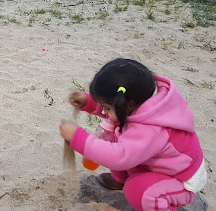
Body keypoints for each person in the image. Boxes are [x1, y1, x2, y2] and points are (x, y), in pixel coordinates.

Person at [59, 58, 206, 211]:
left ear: (127, 104)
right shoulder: (140, 100)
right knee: (118, 133)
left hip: (180, 179)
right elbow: (116, 109)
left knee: (139, 191)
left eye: (106, 108)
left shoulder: (151, 129)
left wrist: (78, 138)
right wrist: (87, 102)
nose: (105, 111)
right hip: (156, 163)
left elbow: (119, 157)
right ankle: (120, 179)